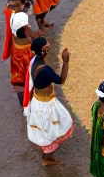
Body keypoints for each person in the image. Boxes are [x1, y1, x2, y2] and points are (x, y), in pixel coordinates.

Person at [21, 37, 74, 165]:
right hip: (46, 105)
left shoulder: (34, 62)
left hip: (37, 102)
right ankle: (47, 158)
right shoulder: (45, 70)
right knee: (53, 130)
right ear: (44, 50)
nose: (49, 44)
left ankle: (46, 154)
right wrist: (65, 61)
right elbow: (61, 80)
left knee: (43, 129)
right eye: (47, 45)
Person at [6, 11, 33, 108]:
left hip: (16, 81)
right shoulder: (28, 48)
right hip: (26, 82)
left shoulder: (15, 40)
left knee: (24, 105)